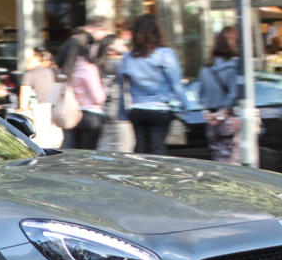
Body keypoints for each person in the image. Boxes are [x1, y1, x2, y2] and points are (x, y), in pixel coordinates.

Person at [117, 14, 191, 155]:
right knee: (157, 147)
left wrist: (122, 111)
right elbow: (176, 84)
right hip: (160, 108)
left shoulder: (128, 57)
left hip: (137, 108)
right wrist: (185, 105)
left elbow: (122, 86)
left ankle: (139, 174)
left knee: (140, 147)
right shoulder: (166, 54)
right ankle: (155, 176)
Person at [197, 26, 242, 163]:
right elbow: (233, 93)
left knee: (217, 156)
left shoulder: (206, 66)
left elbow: (201, 92)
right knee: (230, 160)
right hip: (226, 119)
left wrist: (209, 114)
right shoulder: (232, 67)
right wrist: (221, 114)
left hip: (211, 120)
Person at [58, 32, 106, 150]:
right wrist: (106, 87)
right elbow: (98, 98)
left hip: (72, 114)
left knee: (76, 152)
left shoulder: (67, 68)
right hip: (90, 114)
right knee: (89, 154)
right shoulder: (88, 68)